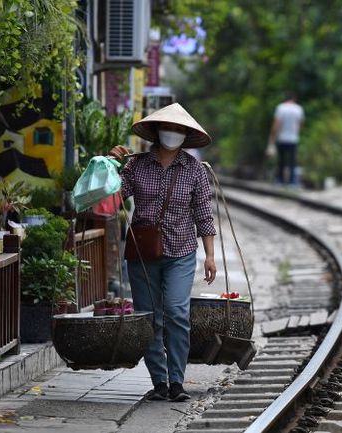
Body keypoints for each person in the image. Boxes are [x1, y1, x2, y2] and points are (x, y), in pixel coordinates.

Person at [109, 103, 217, 402]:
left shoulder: (195, 170)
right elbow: (114, 195)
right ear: (157, 132)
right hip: (143, 252)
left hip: (181, 250)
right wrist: (110, 163)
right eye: (169, 128)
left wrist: (209, 255)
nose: (173, 133)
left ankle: (177, 381)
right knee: (149, 317)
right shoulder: (137, 165)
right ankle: (159, 381)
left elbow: (204, 214)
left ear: (186, 136)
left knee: (176, 312)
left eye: (180, 130)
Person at [266, 93, 304, 185]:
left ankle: (280, 180)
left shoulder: (280, 108)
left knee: (281, 161)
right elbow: (301, 124)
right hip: (293, 138)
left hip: (282, 138)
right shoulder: (298, 109)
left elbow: (276, 124)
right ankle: (292, 181)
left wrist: (272, 138)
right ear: (294, 99)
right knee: (292, 161)